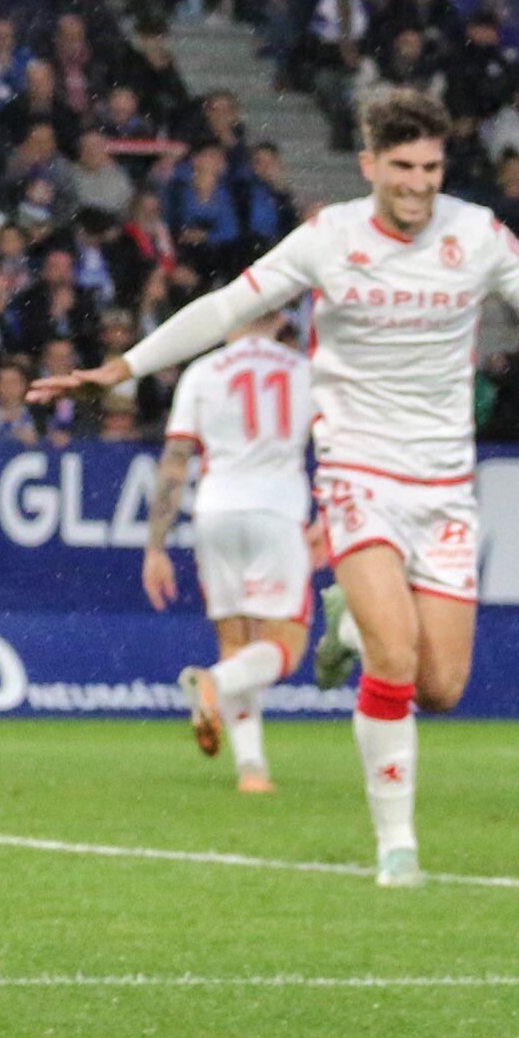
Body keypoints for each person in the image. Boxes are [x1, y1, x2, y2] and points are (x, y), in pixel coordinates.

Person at [33, 88, 519, 887]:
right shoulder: (330, 238)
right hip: (358, 473)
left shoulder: (477, 234)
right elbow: (226, 307)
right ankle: (398, 847)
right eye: (402, 167)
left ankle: (347, 626)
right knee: (395, 660)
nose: (419, 183)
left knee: (443, 686)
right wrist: (124, 366)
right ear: (369, 166)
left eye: (430, 167)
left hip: (446, 486)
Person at [144, 314, 314, 794]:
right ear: (280, 317)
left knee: (237, 643)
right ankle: (212, 683)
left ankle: (253, 770)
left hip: (216, 510)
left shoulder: (203, 371)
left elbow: (176, 460)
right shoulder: (304, 370)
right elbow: (337, 446)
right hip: (277, 510)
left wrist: (155, 546)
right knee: (285, 647)